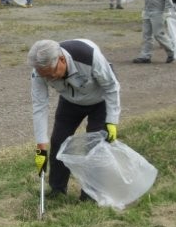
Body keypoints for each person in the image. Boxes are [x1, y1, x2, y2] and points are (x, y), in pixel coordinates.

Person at [28, 39, 120, 200]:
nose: (49, 79)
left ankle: (91, 194)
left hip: (100, 101)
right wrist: (41, 147)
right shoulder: (40, 72)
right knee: (58, 141)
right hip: (70, 102)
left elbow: (111, 87)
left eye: (51, 74)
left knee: (94, 146)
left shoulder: (88, 57)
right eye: (46, 77)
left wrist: (112, 120)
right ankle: (57, 189)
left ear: (61, 60)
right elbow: (39, 107)